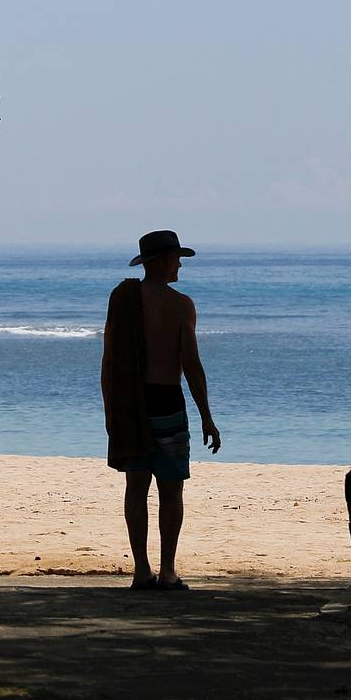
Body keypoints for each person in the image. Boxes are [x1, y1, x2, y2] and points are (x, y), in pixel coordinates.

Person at [101, 228, 221, 591]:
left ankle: (141, 570)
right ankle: (167, 570)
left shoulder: (122, 298)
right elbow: (191, 365)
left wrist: (112, 409)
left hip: (132, 403)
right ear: (166, 260)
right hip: (168, 401)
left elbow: (110, 359)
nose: (180, 265)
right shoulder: (180, 304)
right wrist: (206, 416)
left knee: (136, 486)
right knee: (171, 489)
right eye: (177, 258)